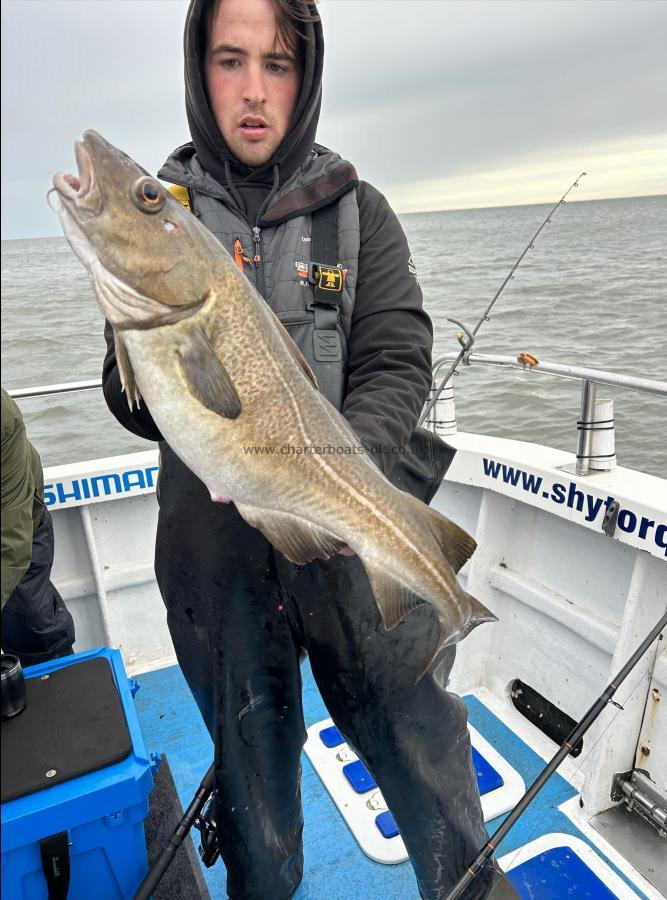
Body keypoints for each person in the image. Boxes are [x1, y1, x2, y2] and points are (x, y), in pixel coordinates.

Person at [102, 2, 513, 897]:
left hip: (350, 534)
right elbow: (138, 412)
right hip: (216, 562)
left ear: (308, 73)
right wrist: (135, 345)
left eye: (278, 64)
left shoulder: (359, 213)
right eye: (229, 60)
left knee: (431, 776)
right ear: (195, 70)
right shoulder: (163, 214)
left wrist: (332, 468)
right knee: (256, 809)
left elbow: (399, 356)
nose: (254, 91)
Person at [1, 388, 75, 666]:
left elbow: (11, 541)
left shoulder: (2, 417)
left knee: (29, 620)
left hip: (15, 519)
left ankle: (58, 685)